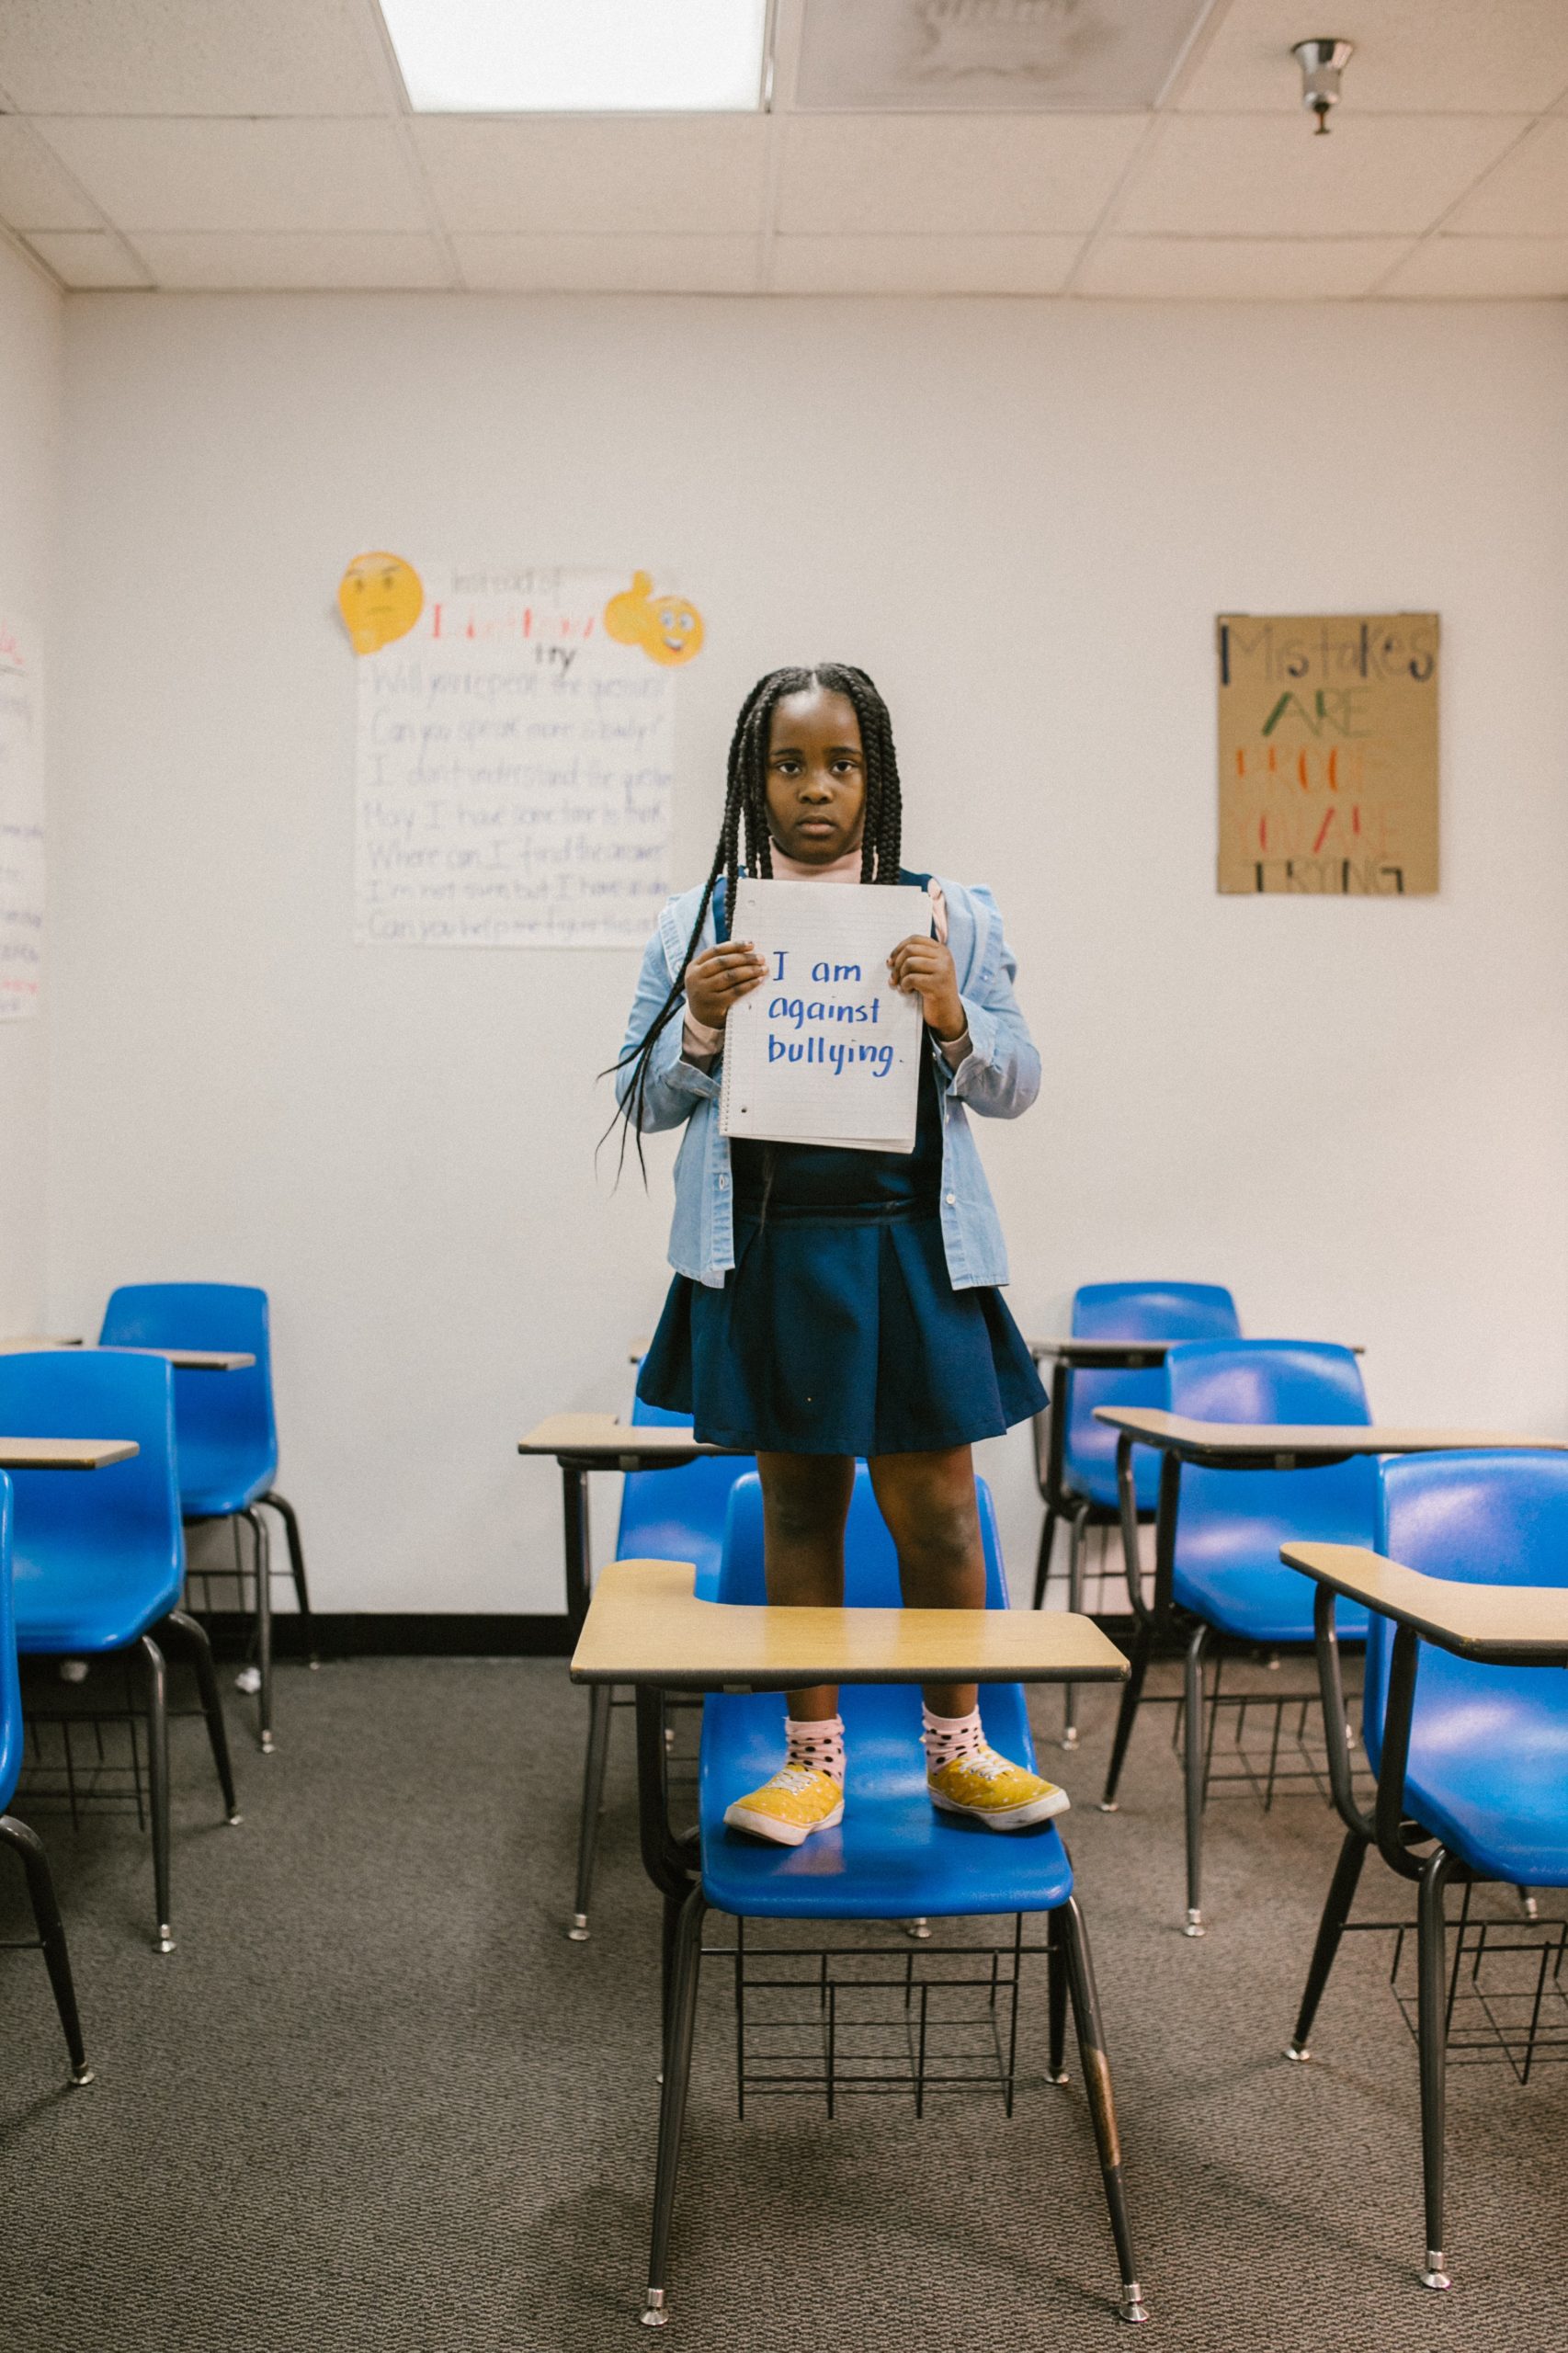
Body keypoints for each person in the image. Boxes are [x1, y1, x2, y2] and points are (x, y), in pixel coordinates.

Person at [614, 663, 1061, 1847]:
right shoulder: (699, 921)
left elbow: (1014, 1085)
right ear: (753, 780)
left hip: (910, 1247)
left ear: (879, 775)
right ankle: (813, 1762)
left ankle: (961, 1752)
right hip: (769, 1250)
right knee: (799, 1509)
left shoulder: (948, 912)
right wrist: (701, 1021)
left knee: (942, 1513)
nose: (817, 789)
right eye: (790, 764)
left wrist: (954, 1013)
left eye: (842, 764)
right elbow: (641, 1099)